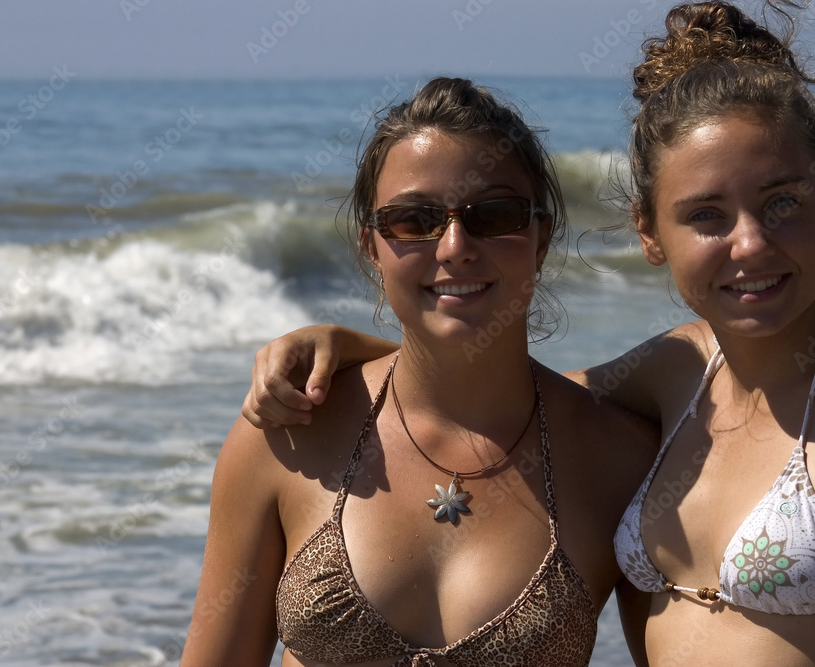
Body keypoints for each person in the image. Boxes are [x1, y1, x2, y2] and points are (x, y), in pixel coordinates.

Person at [240, 2, 815, 664]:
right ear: (650, 232)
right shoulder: (672, 378)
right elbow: (484, 391)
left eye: (782, 201)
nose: (751, 243)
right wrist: (343, 345)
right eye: (707, 214)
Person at [181, 76, 656, 666]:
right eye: (414, 219)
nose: (454, 245)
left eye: (494, 214)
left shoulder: (621, 463)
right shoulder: (286, 431)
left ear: (539, 239)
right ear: (371, 247)